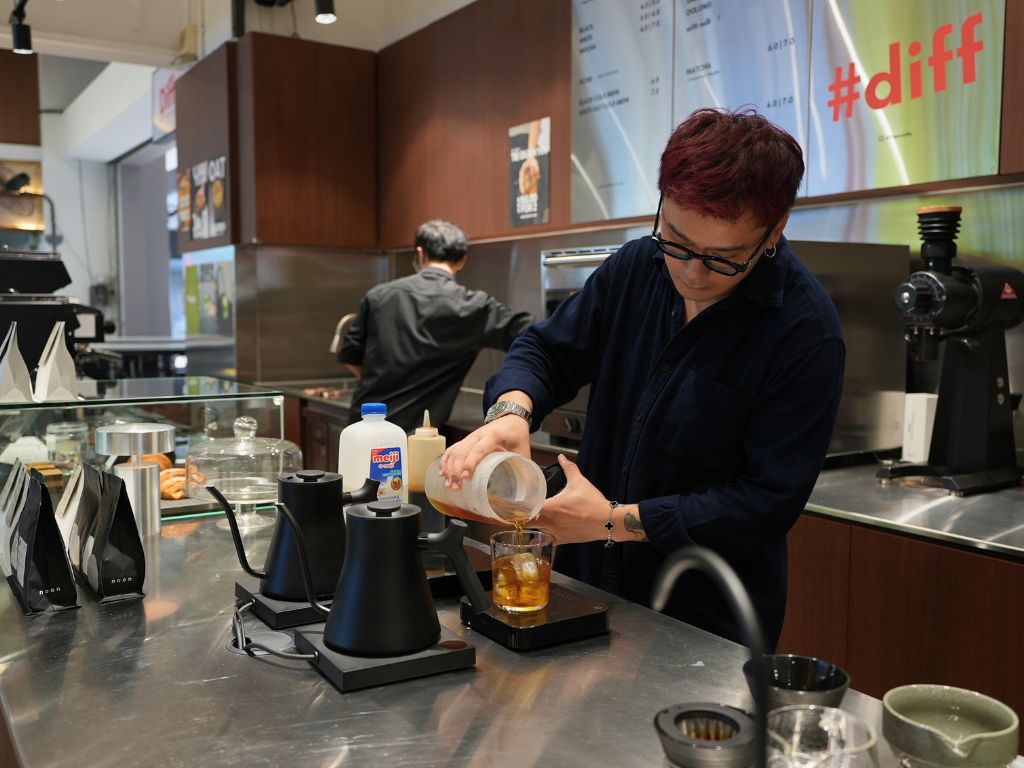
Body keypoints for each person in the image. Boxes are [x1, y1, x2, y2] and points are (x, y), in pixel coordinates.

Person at [439, 108, 846, 650]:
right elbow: (545, 349)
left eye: (723, 259)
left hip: (703, 621)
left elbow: (763, 502)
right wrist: (512, 411)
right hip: (586, 591)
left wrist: (613, 521)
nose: (691, 272)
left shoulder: (805, 334)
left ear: (776, 230)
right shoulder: (637, 268)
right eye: (676, 241)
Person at [338, 219, 533, 434]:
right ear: (462, 262)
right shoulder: (476, 307)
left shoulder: (378, 296)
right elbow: (530, 337)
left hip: (364, 428)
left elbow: (350, 355)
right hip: (419, 435)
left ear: (420, 254)